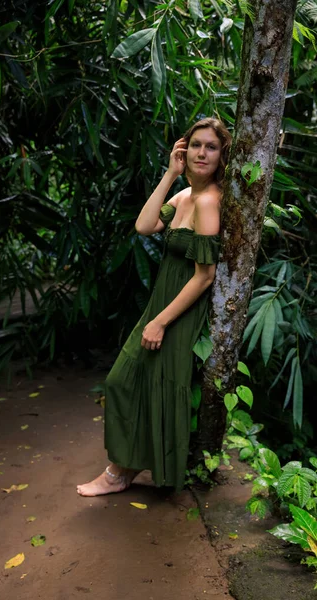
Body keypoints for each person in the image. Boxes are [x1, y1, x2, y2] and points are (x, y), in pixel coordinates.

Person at [77, 117, 232, 497]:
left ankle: (119, 472)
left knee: (151, 385)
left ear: (221, 156)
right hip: (161, 304)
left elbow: (204, 276)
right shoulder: (184, 197)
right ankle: (124, 470)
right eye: (195, 144)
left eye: (211, 147)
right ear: (184, 148)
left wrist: (161, 323)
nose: (201, 153)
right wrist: (169, 175)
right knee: (124, 381)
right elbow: (144, 226)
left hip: (179, 312)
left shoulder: (209, 202)